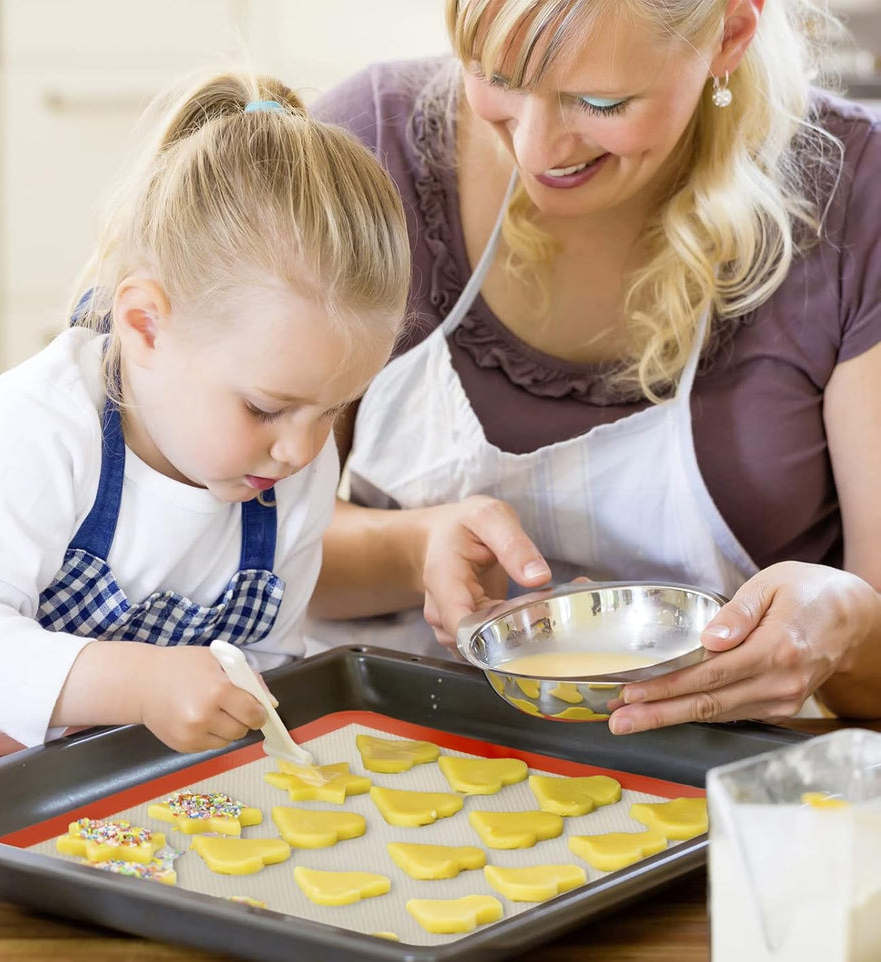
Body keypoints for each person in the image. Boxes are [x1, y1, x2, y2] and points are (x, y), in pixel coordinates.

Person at [306, 0, 881, 733]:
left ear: (730, 35)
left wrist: (850, 635)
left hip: (738, 806)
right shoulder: (368, 151)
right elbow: (233, 550)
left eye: (600, 101)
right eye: (496, 77)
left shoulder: (859, 202)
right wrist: (417, 548)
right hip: (408, 770)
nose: (538, 148)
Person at [0, 70, 410, 754]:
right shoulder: (40, 427)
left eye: (333, 410)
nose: (302, 449)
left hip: (77, 762)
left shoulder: (292, 470)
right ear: (146, 326)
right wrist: (138, 685)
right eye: (267, 408)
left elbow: (260, 668)